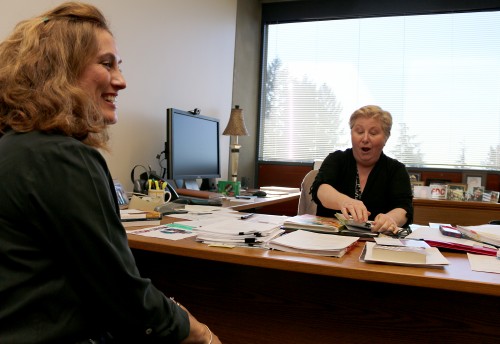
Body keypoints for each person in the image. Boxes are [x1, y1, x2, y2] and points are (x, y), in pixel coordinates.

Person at [0, 2, 220, 343]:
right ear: (58, 70)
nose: (121, 81)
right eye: (107, 64)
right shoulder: (64, 158)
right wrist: (200, 332)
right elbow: (125, 298)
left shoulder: (13, 149)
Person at [310, 105, 413, 234]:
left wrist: (390, 219)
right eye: (359, 132)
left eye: (373, 133)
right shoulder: (336, 159)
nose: (365, 139)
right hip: (330, 239)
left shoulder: (396, 170)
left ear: (386, 138)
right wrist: (344, 201)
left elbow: (404, 208)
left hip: (377, 244)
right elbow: (320, 188)